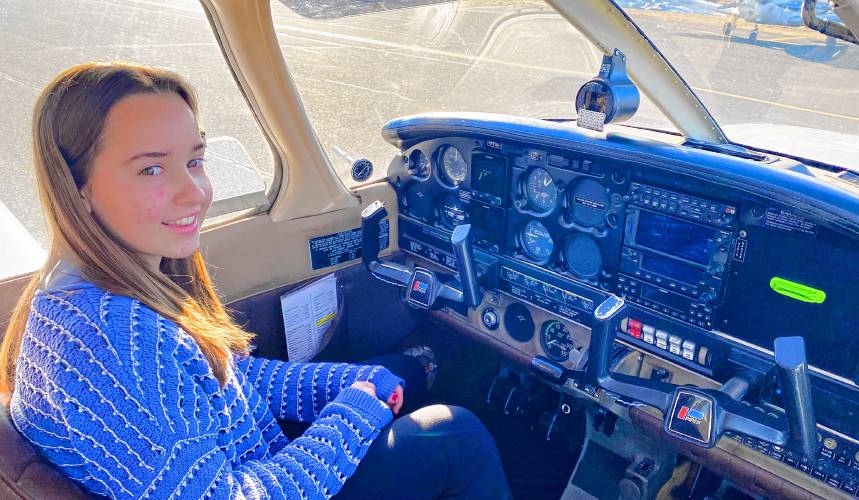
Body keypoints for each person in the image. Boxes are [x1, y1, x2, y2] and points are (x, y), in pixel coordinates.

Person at [0, 62, 511, 499]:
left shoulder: (78, 294)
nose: (194, 193)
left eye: (195, 160)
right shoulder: (116, 341)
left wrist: (345, 389)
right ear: (77, 187)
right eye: (151, 170)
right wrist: (355, 412)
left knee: (393, 368)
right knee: (457, 436)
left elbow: (229, 383)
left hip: (251, 453)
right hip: (257, 478)